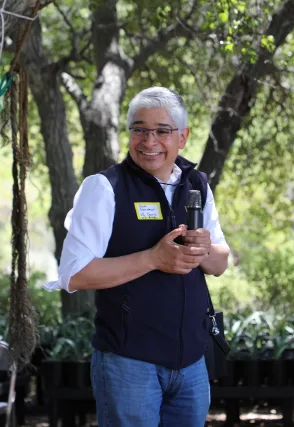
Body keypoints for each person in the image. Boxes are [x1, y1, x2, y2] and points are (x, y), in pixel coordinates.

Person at [45, 86, 230, 426]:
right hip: (129, 363)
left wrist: (203, 249)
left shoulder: (197, 185)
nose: (149, 141)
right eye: (140, 130)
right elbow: (75, 274)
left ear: (183, 137)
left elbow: (219, 263)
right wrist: (153, 259)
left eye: (162, 131)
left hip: (191, 363)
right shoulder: (104, 188)